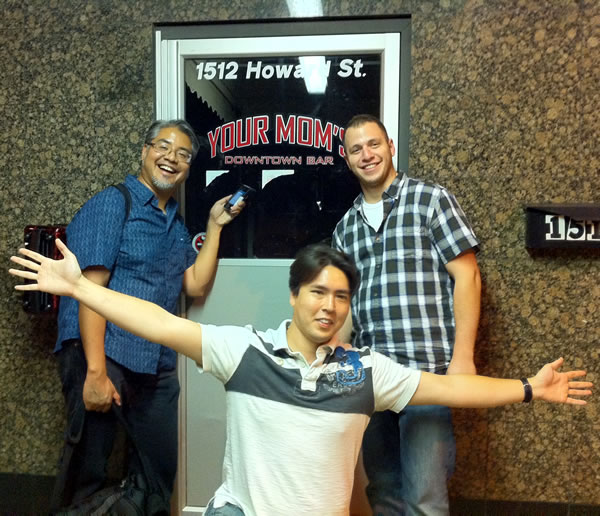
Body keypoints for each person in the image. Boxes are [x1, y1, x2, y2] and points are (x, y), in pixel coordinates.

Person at [9, 241, 592, 516]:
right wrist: (82, 288)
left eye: (341, 296)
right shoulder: (245, 350)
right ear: (293, 295)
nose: (329, 306)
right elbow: (160, 323)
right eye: (317, 292)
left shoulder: (367, 372)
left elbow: (448, 388)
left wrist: (528, 389)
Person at [49, 119, 243, 509]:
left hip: (155, 366)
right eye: (163, 147)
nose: (172, 158)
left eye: (184, 154)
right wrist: (96, 372)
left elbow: (194, 283)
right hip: (106, 355)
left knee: (156, 473)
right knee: (89, 473)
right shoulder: (112, 203)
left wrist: (215, 226)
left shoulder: (172, 223)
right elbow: (89, 291)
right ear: (144, 151)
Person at [332, 114, 481, 515]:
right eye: (356, 149)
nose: (367, 155)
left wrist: (463, 359)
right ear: (347, 160)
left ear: (391, 147)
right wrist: (341, 360)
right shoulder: (345, 228)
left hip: (426, 377)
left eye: (374, 144)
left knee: (425, 498)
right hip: (373, 379)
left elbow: (467, 276)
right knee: (383, 492)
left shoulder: (431, 200)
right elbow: (344, 304)